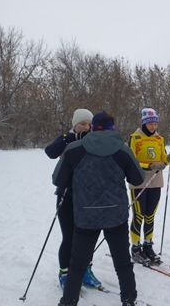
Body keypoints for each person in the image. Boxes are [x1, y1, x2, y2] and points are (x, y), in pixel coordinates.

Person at [53, 111, 145, 306]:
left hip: (86, 215)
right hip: (115, 215)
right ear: (113, 128)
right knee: (122, 264)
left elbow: (58, 179)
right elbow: (138, 179)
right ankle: (129, 299)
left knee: (77, 264)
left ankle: (68, 301)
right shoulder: (122, 149)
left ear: (93, 127)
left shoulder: (73, 149)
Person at [44, 108, 102, 289]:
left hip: (88, 196)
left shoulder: (94, 140)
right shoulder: (67, 138)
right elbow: (50, 152)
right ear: (74, 125)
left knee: (87, 236)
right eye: (82, 124)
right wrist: (69, 139)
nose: (86, 127)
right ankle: (65, 272)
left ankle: (85, 269)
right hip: (67, 194)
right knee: (69, 236)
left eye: (89, 124)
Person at [128, 108, 170, 265]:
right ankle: (135, 248)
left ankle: (148, 246)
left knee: (150, 215)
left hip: (156, 181)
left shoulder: (159, 139)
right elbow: (131, 160)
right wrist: (149, 166)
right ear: (144, 123)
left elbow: (163, 159)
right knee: (138, 215)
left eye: (155, 123)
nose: (153, 126)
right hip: (139, 181)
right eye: (150, 123)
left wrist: (169, 158)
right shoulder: (135, 137)